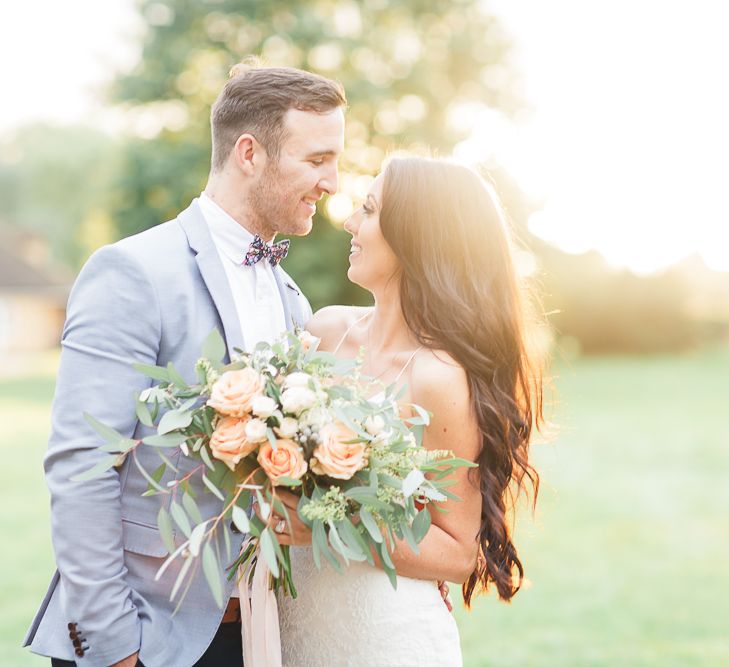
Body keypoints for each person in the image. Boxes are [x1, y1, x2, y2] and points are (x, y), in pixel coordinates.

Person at [23, 59, 346, 667]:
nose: (333, 181)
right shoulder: (134, 272)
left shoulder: (289, 293)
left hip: (254, 633)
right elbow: (80, 465)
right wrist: (114, 646)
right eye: (317, 159)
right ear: (250, 153)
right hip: (148, 636)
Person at [275, 156, 543, 666]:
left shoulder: (438, 378)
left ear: (417, 236)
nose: (350, 222)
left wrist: (329, 523)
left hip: (384, 635)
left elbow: (460, 553)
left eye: (369, 210)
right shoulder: (324, 332)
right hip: (296, 625)